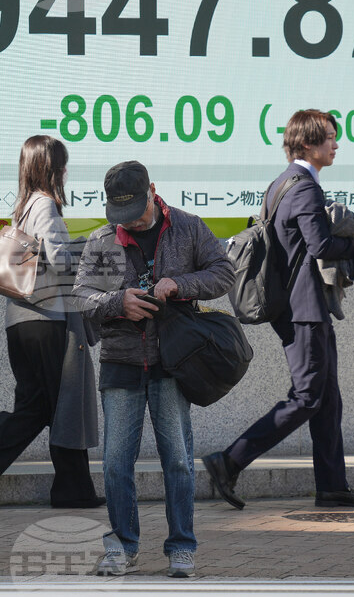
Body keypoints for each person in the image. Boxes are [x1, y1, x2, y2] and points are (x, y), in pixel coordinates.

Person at [201, 110, 354, 511]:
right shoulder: (303, 188)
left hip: (300, 308)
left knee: (327, 397)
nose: (336, 144)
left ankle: (332, 485)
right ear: (308, 144)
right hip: (304, 310)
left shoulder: (281, 183)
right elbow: (321, 247)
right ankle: (229, 460)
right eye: (330, 137)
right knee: (307, 396)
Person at [74, 161, 235, 579]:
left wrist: (180, 284)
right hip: (120, 362)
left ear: (154, 192)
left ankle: (182, 547)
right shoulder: (102, 239)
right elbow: (81, 297)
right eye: (121, 214)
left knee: (178, 460)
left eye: (136, 212)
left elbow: (224, 273)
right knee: (114, 462)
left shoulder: (187, 226)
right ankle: (123, 547)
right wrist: (117, 303)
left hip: (172, 362)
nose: (129, 221)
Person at [0, 135, 101, 509]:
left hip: (21, 320)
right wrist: (92, 245)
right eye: (64, 165)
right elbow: (61, 260)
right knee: (64, 402)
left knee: (37, 405)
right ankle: (71, 489)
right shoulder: (47, 206)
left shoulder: (23, 207)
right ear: (54, 169)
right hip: (48, 320)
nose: (67, 172)